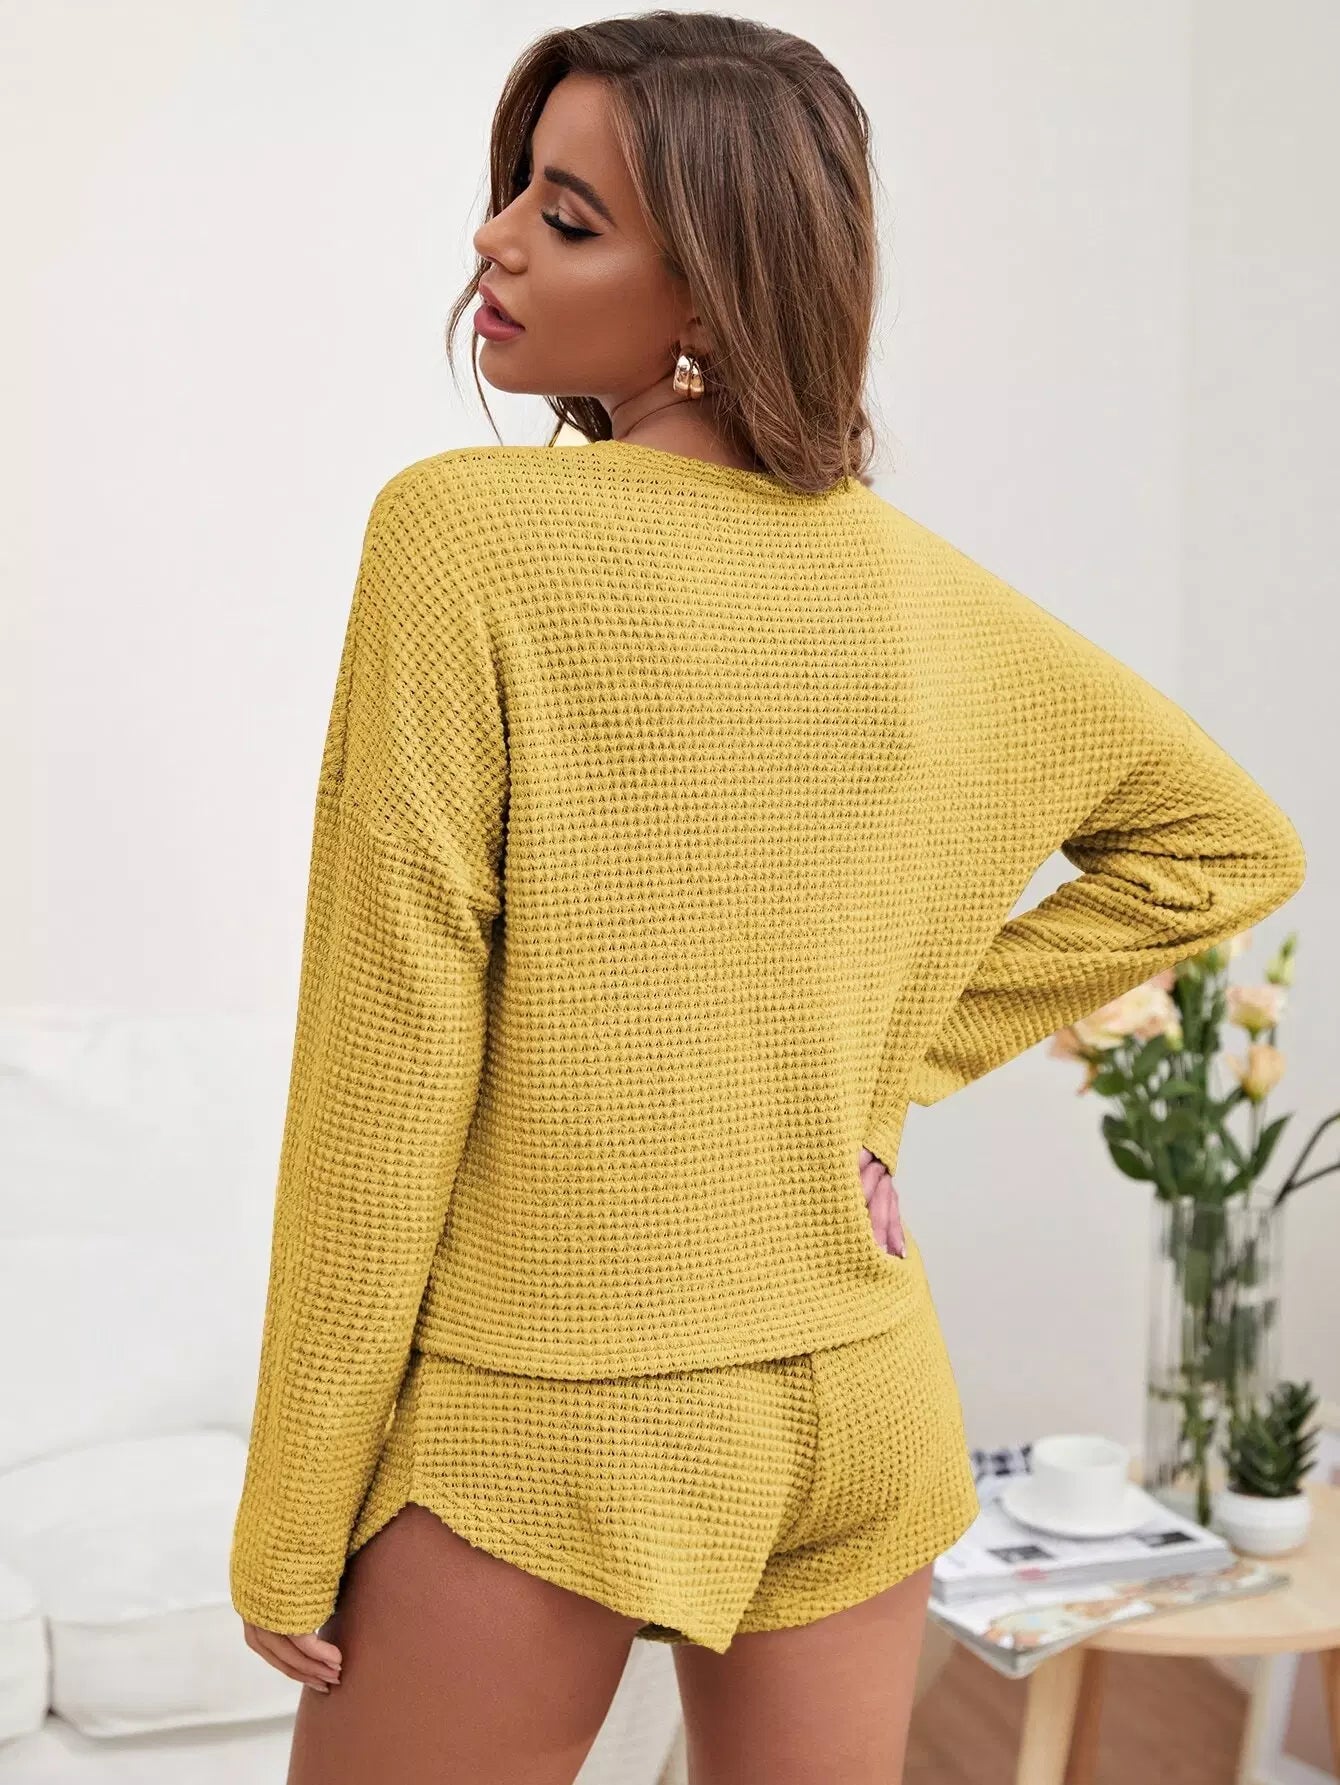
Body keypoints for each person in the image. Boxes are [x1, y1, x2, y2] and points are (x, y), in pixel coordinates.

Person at [227, 14, 1308, 1784]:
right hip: (866, 1398)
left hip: (554, 1413)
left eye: (569, 216)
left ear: (715, 294)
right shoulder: (927, 593)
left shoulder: (464, 538)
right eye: (517, 190)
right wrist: (874, 1071)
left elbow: (385, 1063)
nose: (496, 239)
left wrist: (292, 1506)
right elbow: (1230, 843)